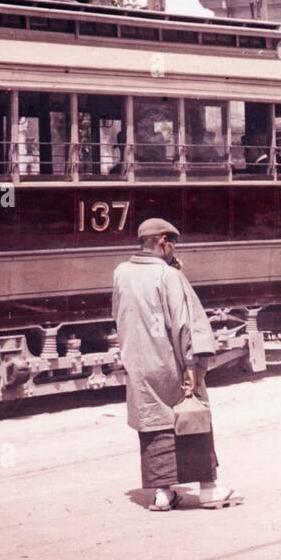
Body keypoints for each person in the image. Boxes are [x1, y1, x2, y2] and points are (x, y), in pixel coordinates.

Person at [111, 218, 235, 511]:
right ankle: (208, 490)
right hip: (171, 362)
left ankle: (162, 494)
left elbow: (118, 314)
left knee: (154, 424)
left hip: (139, 363)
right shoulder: (168, 276)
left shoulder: (121, 273)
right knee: (192, 416)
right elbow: (184, 325)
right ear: (163, 241)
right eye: (173, 244)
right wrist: (192, 365)